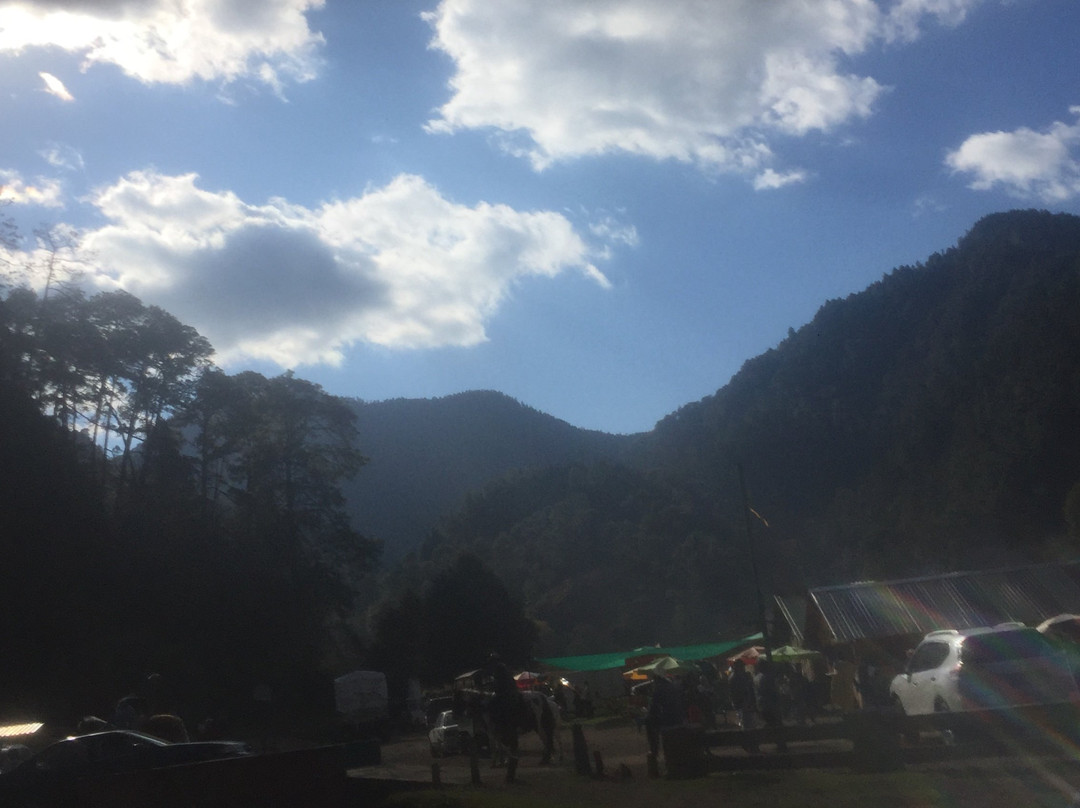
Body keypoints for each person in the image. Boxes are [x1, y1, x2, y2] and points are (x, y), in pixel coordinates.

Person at [644, 673, 683, 758]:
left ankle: (654, 750)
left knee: (649, 722)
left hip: (668, 718)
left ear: (656, 680)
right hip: (678, 715)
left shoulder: (659, 688)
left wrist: (649, 713)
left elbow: (654, 708)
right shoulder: (671, 686)